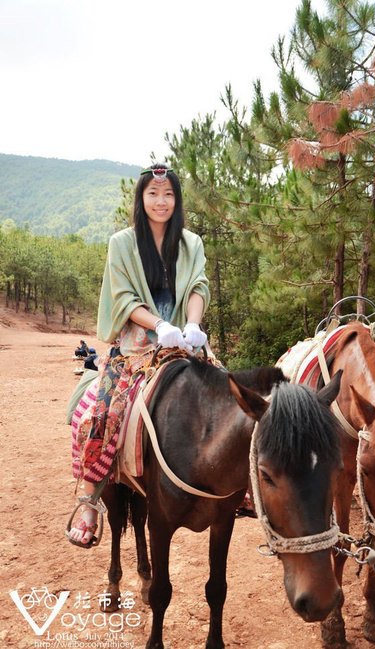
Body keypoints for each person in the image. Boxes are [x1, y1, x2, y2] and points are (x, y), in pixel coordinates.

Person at [67, 164, 210, 547]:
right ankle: (89, 499)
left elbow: (198, 285)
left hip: (183, 342)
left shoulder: (191, 243)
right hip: (135, 347)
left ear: (176, 200)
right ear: (141, 198)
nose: (160, 201)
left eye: (168, 195)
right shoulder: (122, 243)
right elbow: (123, 298)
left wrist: (192, 325)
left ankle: (237, 488)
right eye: (153, 194)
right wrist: (157, 325)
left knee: (228, 400)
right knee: (102, 413)